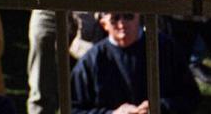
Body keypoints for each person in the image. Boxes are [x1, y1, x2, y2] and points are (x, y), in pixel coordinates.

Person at [70, 10, 199, 114]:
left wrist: (160, 107)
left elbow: (191, 97)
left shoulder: (164, 48)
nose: (122, 24)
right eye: (115, 18)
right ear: (104, 24)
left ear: (139, 17)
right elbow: (73, 109)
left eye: (128, 16)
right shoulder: (91, 61)